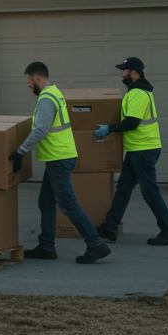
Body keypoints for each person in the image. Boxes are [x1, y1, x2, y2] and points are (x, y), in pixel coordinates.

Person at [12, 61, 112, 264]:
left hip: (59, 158)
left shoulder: (47, 98)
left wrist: (20, 151)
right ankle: (46, 248)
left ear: (36, 77)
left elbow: (41, 129)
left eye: (28, 81)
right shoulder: (55, 92)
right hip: (58, 157)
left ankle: (95, 244)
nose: (28, 85)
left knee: (67, 204)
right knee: (46, 202)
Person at [93, 57, 168, 245]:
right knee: (123, 188)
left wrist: (109, 128)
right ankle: (110, 228)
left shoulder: (138, 94)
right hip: (136, 149)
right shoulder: (135, 92)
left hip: (144, 149)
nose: (122, 74)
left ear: (134, 72)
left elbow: (131, 123)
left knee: (150, 192)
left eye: (124, 70)